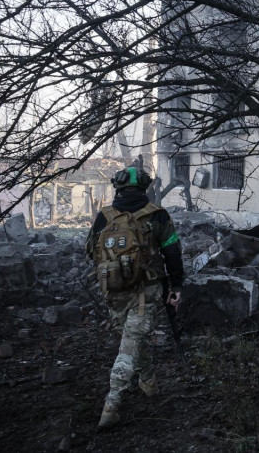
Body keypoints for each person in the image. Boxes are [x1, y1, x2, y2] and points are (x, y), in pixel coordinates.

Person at [85, 166, 184, 429]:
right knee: (130, 343)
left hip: (113, 290)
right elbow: (173, 253)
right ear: (145, 188)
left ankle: (148, 381)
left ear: (117, 187)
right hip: (147, 289)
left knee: (132, 338)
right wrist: (177, 285)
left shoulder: (103, 217)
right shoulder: (157, 216)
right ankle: (112, 402)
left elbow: (90, 253)